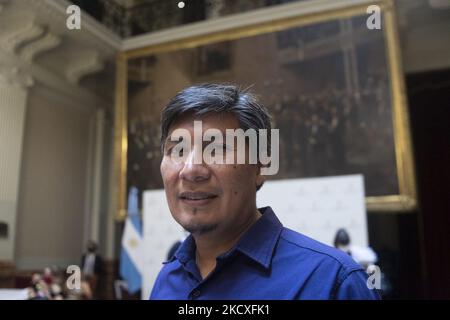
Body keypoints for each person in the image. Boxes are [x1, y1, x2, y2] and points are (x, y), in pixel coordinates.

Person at [150, 83, 380, 300]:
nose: (190, 170)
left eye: (216, 149)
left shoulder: (333, 282)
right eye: (177, 150)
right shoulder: (167, 280)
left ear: (261, 166)